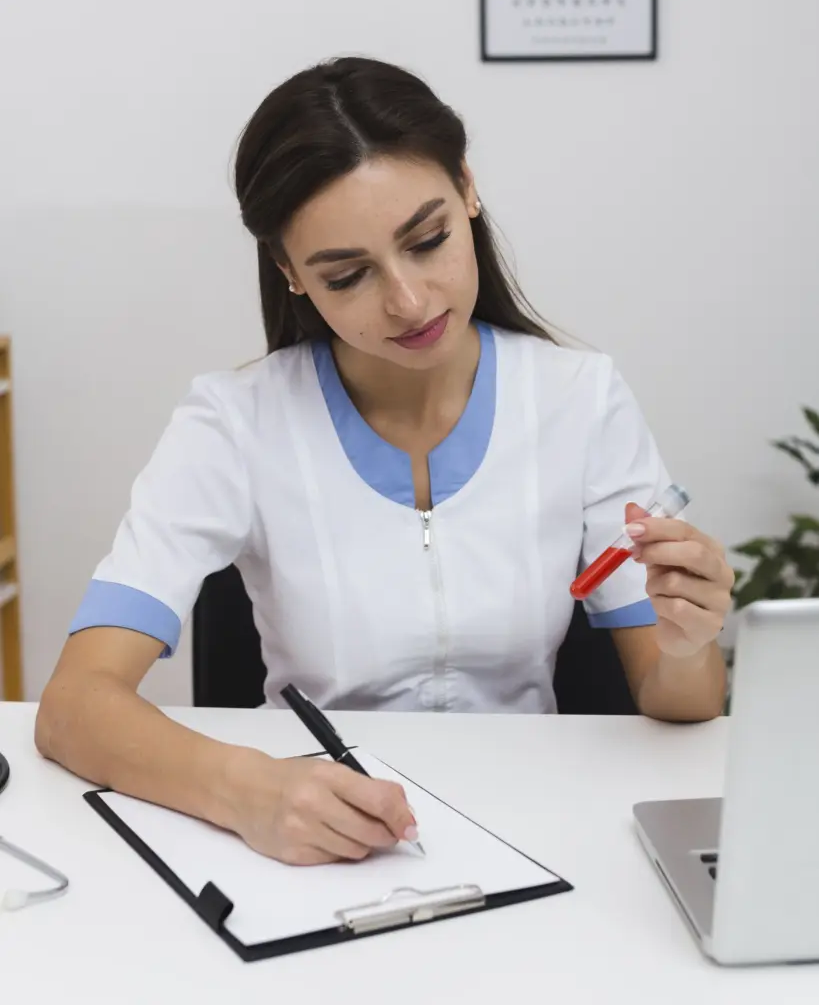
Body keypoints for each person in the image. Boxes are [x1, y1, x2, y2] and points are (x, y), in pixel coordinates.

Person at [35, 56, 734, 866]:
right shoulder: (233, 423)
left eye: (428, 241)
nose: (407, 301)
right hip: (317, 835)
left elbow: (682, 705)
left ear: (467, 190)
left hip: (541, 826)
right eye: (348, 275)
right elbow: (73, 706)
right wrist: (246, 789)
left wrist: (686, 642)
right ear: (291, 273)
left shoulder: (579, 398)